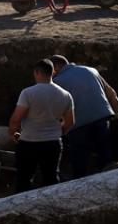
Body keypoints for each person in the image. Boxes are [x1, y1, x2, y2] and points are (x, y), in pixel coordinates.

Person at [50, 55, 118, 178]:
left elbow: (55, 108)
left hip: (78, 124)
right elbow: (111, 93)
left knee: (79, 157)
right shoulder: (91, 70)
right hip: (102, 117)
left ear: (58, 66)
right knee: (104, 152)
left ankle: (80, 184)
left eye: (51, 70)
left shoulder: (57, 82)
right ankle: (108, 180)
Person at [8, 59, 75, 192]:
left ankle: (20, 209)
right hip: (53, 143)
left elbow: (16, 119)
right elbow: (70, 122)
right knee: (51, 178)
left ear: (37, 72)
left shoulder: (28, 93)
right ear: (53, 73)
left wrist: (12, 133)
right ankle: (50, 209)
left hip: (28, 142)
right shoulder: (66, 95)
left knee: (24, 179)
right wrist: (58, 133)